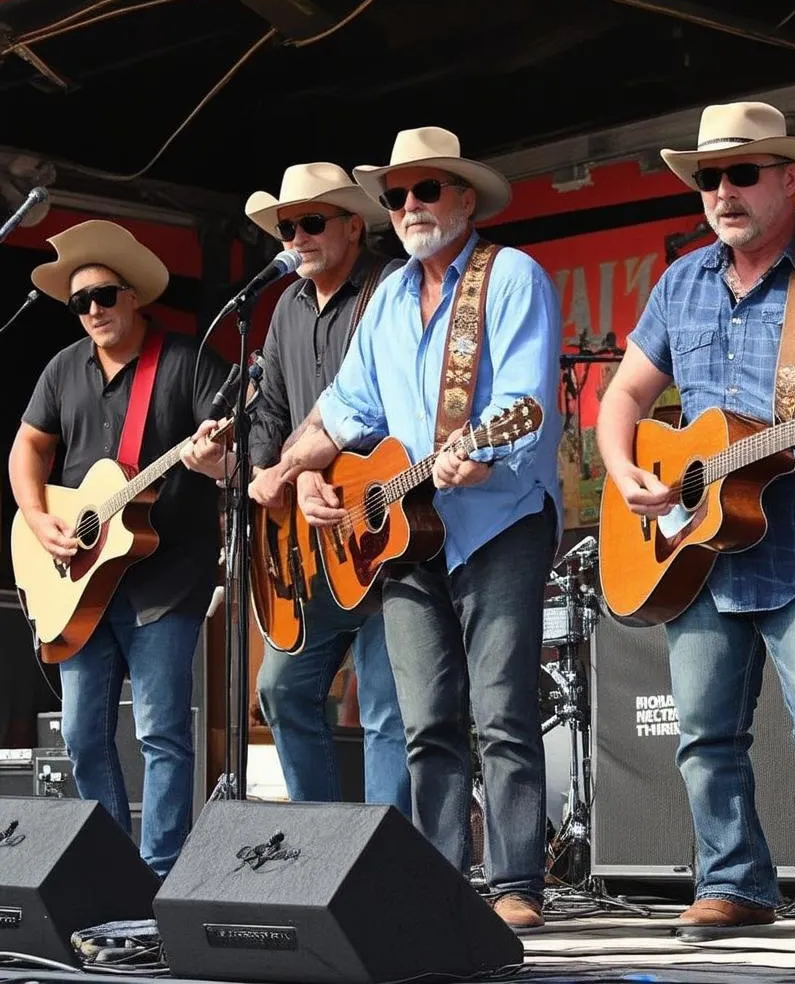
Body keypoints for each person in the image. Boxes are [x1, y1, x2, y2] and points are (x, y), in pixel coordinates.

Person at [595, 102, 795, 944]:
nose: (722, 191)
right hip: (700, 548)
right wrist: (624, 464)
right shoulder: (680, 282)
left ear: (788, 178)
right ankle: (733, 883)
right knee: (704, 734)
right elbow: (625, 396)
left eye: (742, 174)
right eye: (709, 177)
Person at [269, 127, 562, 928]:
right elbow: (344, 410)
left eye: (425, 190)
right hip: (405, 533)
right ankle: (438, 885)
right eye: (396, 195)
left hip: (498, 518)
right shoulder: (388, 298)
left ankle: (515, 886)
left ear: (466, 198)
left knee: (500, 712)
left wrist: (484, 454)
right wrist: (306, 477)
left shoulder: (511, 277)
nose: (407, 207)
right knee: (425, 717)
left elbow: (527, 406)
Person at [182, 163, 410, 814]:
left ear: (353, 225)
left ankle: (396, 869)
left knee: (388, 700)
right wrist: (258, 471)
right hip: (314, 549)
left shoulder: (390, 288)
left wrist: (306, 466)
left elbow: (401, 406)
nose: (297, 237)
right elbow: (271, 415)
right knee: (280, 687)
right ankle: (323, 853)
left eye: (311, 223)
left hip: (388, 529)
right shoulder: (282, 307)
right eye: (287, 227)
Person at [10, 220, 228, 877]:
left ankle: (160, 873)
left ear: (135, 297)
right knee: (80, 734)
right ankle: (109, 871)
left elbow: (235, 450)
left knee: (160, 732)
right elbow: (28, 447)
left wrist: (214, 454)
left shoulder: (187, 362)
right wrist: (37, 513)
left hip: (167, 577)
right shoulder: (61, 369)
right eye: (80, 303)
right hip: (79, 579)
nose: (94, 311)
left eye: (105, 296)